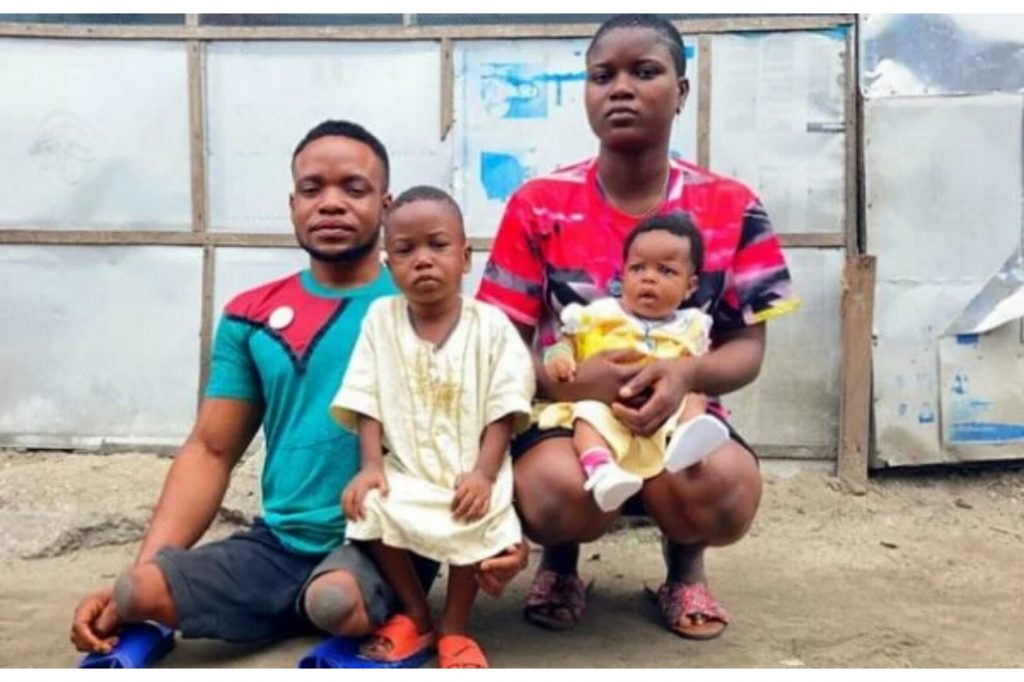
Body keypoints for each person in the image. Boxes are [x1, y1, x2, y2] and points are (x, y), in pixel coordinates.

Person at [70, 121, 526, 658]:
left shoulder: (431, 307)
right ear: (292, 205)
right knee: (138, 590)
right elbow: (211, 450)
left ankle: (344, 607)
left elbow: (499, 412)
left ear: (386, 206)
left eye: (353, 188)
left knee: (335, 600)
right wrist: (139, 576)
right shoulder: (249, 315)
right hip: (279, 542)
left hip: (385, 540)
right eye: (312, 189)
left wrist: (501, 532)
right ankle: (280, 604)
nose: (330, 203)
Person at [477, 14, 799, 640]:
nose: (620, 88)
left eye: (645, 72)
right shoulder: (539, 204)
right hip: (570, 416)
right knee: (553, 489)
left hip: (683, 413)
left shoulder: (732, 207)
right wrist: (575, 384)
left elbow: (747, 348)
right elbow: (499, 343)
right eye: (602, 76)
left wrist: (685, 374)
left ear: (681, 90)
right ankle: (560, 564)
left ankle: (684, 571)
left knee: (724, 488)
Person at [332, 186, 534, 669]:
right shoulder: (380, 320)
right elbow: (365, 398)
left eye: (438, 245)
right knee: (370, 506)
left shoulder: (491, 326)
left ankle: (455, 627)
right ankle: (416, 612)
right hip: (408, 469)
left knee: (474, 516)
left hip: (473, 468)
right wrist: (371, 466)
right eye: (405, 250)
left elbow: (504, 408)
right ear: (389, 265)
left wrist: (484, 475)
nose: (422, 260)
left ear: (465, 258)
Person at [539, 213, 730, 513]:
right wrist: (559, 357)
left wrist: (687, 380)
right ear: (622, 275)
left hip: (666, 410)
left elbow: (699, 366)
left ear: (690, 286)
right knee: (587, 416)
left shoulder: (691, 325)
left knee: (695, 396)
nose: (648, 278)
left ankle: (689, 439)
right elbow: (567, 339)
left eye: (666, 271)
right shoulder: (601, 314)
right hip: (608, 405)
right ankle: (601, 470)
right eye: (638, 268)